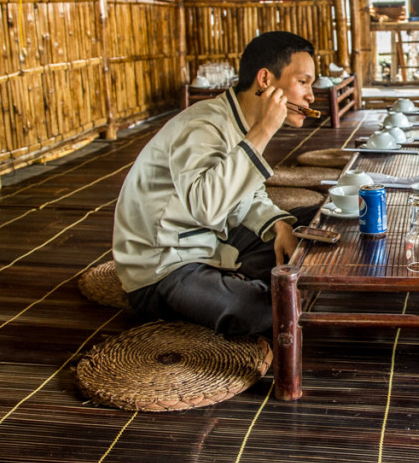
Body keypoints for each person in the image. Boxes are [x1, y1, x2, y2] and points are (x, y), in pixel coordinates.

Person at [112, 31, 317, 337]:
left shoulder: (239, 120)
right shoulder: (203, 126)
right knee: (261, 310)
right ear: (265, 80)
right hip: (166, 263)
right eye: (303, 82)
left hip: (213, 241)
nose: (311, 96)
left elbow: (245, 195)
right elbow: (206, 208)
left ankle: (252, 279)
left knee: (314, 221)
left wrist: (278, 225)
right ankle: (248, 287)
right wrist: (263, 131)